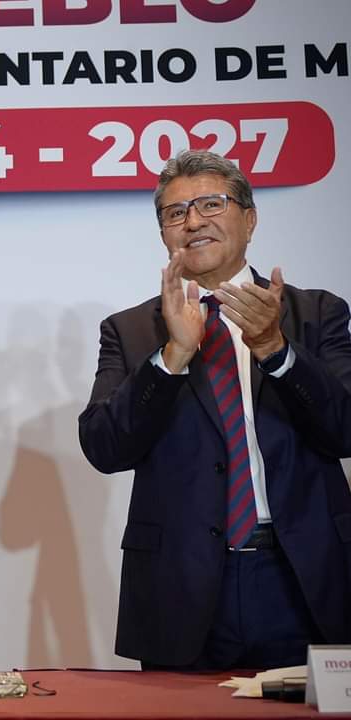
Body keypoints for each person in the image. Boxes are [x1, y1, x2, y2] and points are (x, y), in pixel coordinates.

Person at [79, 149, 351, 670]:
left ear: (249, 218)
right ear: (163, 234)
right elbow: (104, 448)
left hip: (302, 578)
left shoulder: (316, 313)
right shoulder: (133, 330)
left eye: (211, 203)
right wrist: (172, 355)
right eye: (175, 213)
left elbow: (345, 431)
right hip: (181, 585)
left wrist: (276, 349)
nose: (193, 221)